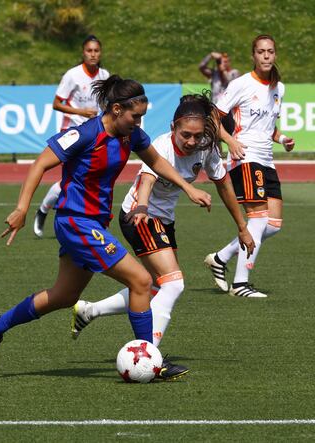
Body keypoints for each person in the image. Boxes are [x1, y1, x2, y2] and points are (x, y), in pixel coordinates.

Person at [0, 75, 213, 380]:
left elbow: (156, 161)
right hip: (76, 222)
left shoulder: (132, 135)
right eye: (134, 116)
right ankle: (149, 357)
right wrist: (22, 208)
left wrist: (187, 186)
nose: (138, 122)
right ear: (116, 109)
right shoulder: (85, 134)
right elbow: (40, 164)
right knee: (142, 280)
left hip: (92, 224)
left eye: (142, 116)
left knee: (64, 295)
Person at [70, 93, 255, 377]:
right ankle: (148, 355)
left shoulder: (206, 149)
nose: (191, 141)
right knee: (174, 284)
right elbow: (147, 179)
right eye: (185, 135)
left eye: (197, 135)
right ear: (173, 127)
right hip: (139, 216)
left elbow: (224, 185)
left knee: (156, 286)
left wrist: (242, 227)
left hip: (163, 221)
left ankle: (90, 310)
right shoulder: (161, 145)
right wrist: (143, 206)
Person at [204, 34, 295, 298]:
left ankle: (220, 258)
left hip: (266, 157)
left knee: (273, 224)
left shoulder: (280, 88)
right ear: (253, 56)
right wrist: (230, 140)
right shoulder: (241, 84)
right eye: (261, 52)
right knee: (257, 218)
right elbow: (214, 115)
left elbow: (269, 125)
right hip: (244, 155)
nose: (266, 56)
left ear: (275, 55)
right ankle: (241, 283)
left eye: (270, 52)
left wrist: (282, 139)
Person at [34, 35, 109, 238]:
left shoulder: (104, 74)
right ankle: (44, 211)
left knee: (83, 179)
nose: (93, 54)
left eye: (96, 51)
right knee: (72, 179)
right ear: (83, 53)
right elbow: (56, 103)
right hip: (73, 133)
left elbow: (105, 104)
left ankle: (45, 210)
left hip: (95, 133)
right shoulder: (72, 75)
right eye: (89, 50)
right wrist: (81, 112)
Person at [199, 51, 240, 135]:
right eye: (220, 61)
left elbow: (229, 80)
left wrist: (223, 71)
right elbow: (201, 67)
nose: (223, 64)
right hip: (214, 110)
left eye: (225, 61)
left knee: (232, 136)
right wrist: (210, 55)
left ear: (229, 62)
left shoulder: (235, 73)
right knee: (214, 136)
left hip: (229, 112)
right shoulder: (214, 74)